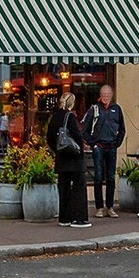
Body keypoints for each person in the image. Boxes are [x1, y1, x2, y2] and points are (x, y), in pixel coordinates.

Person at [46, 92, 90, 229]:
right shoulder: (70, 117)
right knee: (78, 188)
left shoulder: (54, 117)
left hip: (61, 159)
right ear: (72, 104)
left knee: (63, 188)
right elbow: (77, 135)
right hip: (74, 159)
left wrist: (57, 150)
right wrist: (81, 149)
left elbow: (49, 138)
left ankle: (64, 218)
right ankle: (79, 218)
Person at [82, 85, 125, 218]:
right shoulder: (94, 110)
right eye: (103, 95)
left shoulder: (116, 109)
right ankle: (99, 207)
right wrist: (92, 144)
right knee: (98, 177)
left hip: (112, 147)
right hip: (99, 147)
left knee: (111, 178)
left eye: (108, 95)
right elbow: (85, 130)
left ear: (112, 95)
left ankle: (110, 207)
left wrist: (117, 143)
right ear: (100, 95)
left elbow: (122, 129)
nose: (106, 97)